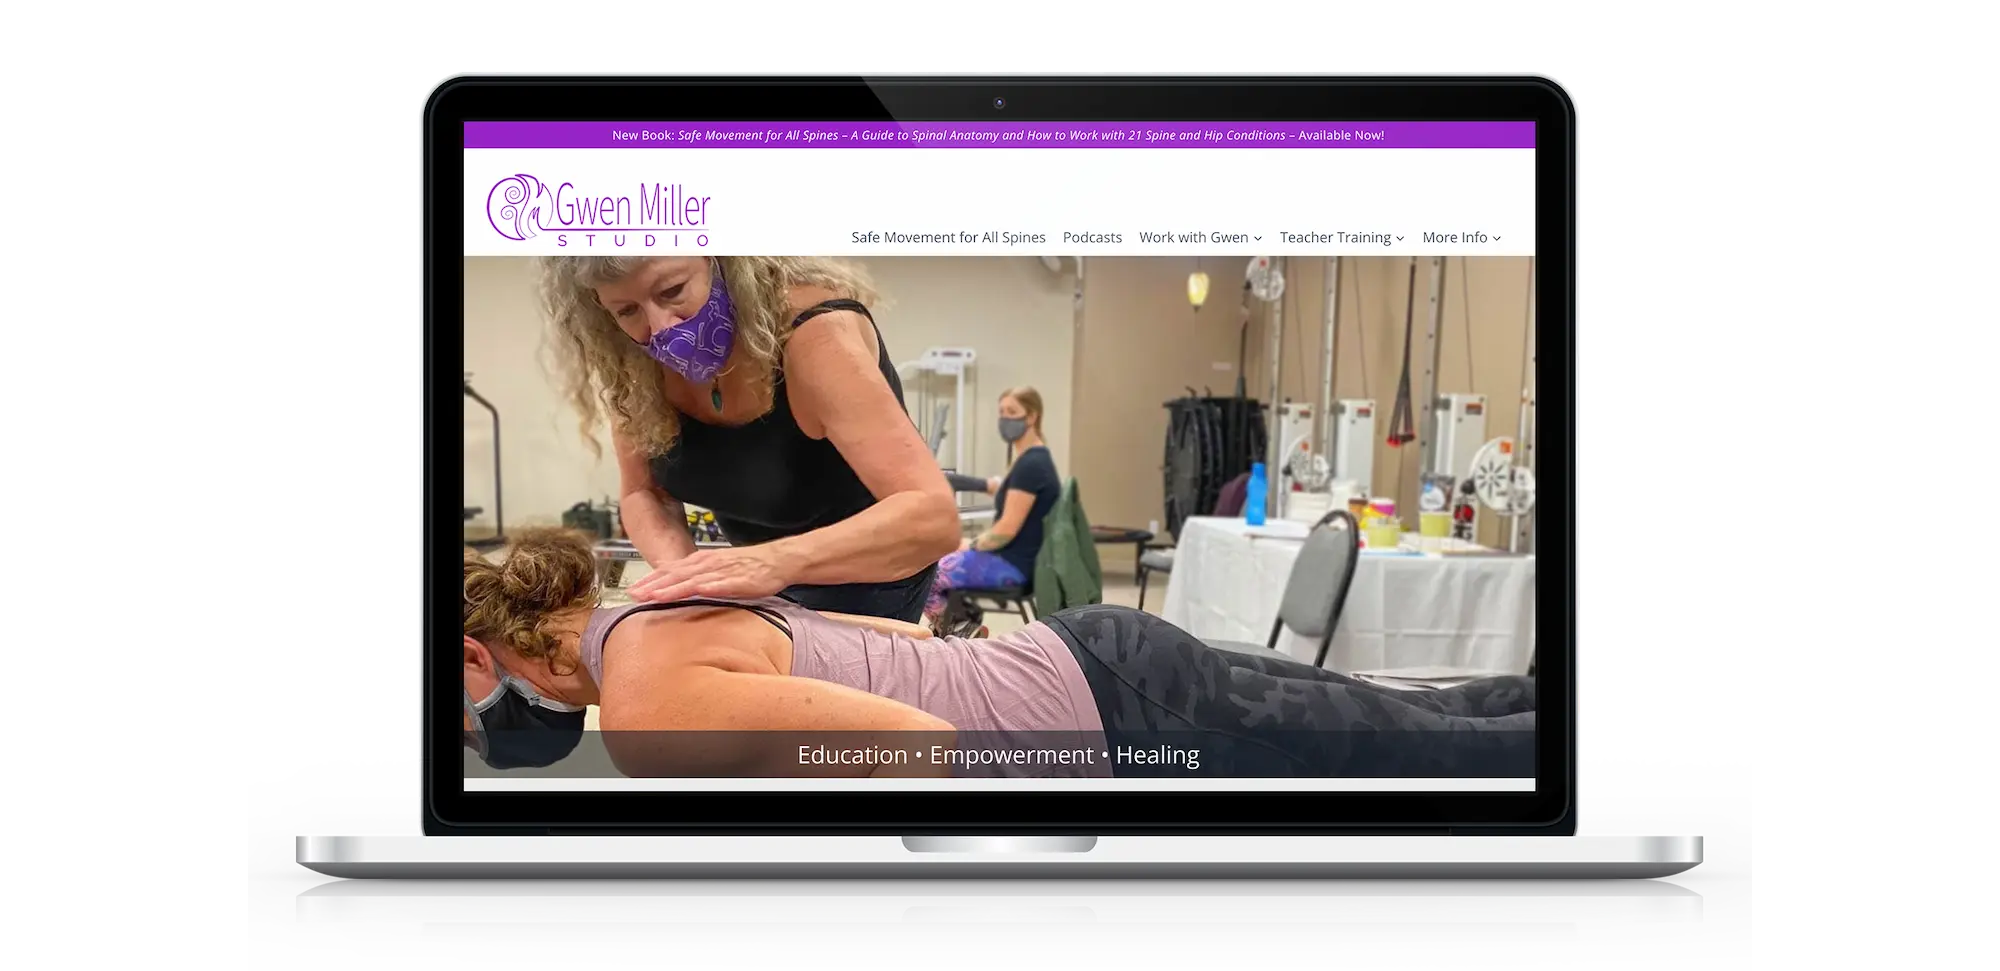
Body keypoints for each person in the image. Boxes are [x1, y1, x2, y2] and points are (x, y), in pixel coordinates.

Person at [463, 530, 1536, 779]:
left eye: (459, 718)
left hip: (1118, 715)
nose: (475, 733)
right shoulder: (656, 607)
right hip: (1092, 650)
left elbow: (925, 749)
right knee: (1435, 718)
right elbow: (899, 637)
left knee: (1440, 758)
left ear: (481, 660)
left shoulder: (644, 710)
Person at [539, 255, 960, 624]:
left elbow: (932, 520)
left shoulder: (814, 333)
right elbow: (644, 493)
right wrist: (688, 579)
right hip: (756, 578)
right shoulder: (634, 361)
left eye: (672, 290)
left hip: (868, 574)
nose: (661, 328)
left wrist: (774, 563)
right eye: (627, 310)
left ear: (722, 259)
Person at [927, 386, 1062, 625]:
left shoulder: (1031, 465)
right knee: (942, 557)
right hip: (1018, 562)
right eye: (1002, 412)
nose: (1005, 419)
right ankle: (962, 623)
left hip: (1012, 567)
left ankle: (957, 627)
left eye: (1012, 412)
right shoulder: (1032, 459)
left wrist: (970, 545)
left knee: (926, 571)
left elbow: (1005, 531)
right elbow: (1002, 494)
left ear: (1032, 416)